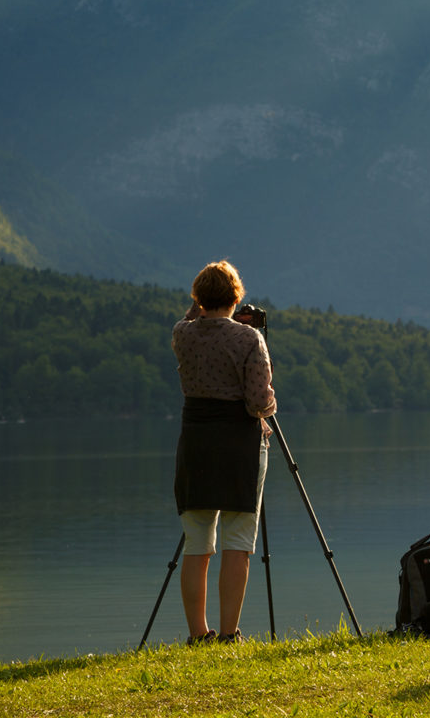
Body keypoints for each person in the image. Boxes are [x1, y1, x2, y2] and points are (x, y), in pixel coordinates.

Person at [171, 259, 277, 644]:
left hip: (197, 444)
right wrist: (270, 408)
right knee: (238, 539)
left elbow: (190, 319)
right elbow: (258, 401)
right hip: (238, 446)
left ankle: (198, 634)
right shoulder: (249, 339)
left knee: (197, 542)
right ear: (236, 297)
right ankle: (230, 632)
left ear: (198, 299)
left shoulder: (182, 333)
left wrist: (199, 306)